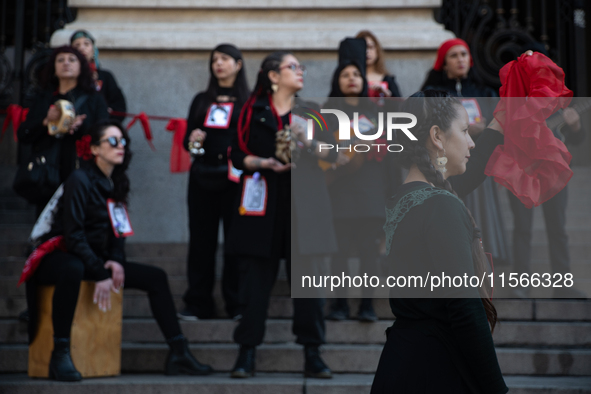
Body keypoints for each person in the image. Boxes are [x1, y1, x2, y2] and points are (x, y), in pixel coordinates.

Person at [23, 121, 213, 381]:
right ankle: (60, 353)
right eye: (112, 141)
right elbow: (74, 235)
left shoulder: (117, 181)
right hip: (57, 255)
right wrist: (100, 271)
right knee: (73, 267)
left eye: (123, 141)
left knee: (155, 277)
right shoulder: (80, 178)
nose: (120, 146)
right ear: (95, 149)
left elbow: (119, 232)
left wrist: (115, 261)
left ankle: (179, 351)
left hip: (93, 259)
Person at [371, 90, 507, 394]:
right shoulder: (440, 205)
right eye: (464, 131)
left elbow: (464, 173)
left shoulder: (408, 197)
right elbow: (465, 309)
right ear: (437, 136)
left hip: (405, 362)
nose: (472, 141)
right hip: (433, 370)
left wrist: (508, 111)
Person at [227, 51, 342, 379]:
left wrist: (309, 144)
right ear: (273, 75)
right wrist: (264, 163)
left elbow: (333, 151)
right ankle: (246, 352)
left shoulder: (311, 111)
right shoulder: (251, 110)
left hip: (304, 204)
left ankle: (312, 353)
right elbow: (237, 156)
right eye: (292, 67)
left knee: (308, 286)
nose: (300, 72)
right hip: (262, 205)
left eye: (300, 67)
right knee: (254, 287)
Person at [421, 38, 511, 268]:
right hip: (447, 167)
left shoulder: (485, 92)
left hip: (478, 161)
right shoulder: (433, 95)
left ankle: (484, 256)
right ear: (443, 63)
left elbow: (499, 124)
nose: (460, 59)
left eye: (464, 54)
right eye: (454, 55)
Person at [507, 42, 587, 299]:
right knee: (522, 227)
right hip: (522, 170)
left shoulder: (557, 97)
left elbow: (576, 139)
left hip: (552, 172)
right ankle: (520, 285)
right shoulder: (512, 93)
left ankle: (562, 287)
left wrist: (574, 127)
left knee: (558, 229)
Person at [177, 44, 250, 321]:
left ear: (238, 64)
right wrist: (193, 141)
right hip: (202, 177)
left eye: (225, 58)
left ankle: (237, 304)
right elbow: (188, 143)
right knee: (201, 242)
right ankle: (198, 303)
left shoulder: (248, 100)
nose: (218, 63)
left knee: (235, 242)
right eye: (214, 59)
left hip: (235, 179)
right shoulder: (201, 99)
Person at [324, 59, 400, 322]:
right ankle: (339, 304)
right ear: (337, 81)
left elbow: (391, 157)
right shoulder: (328, 114)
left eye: (356, 74)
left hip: (372, 191)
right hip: (340, 191)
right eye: (345, 74)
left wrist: (394, 195)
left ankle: (367, 305)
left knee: (369, 252)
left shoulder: (377, 115)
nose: (351, 78)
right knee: (340, 252)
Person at [18, 45, 109, 216]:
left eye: (71, 60)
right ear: (54, 68)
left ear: (81, 66)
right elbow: (24, 134)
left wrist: (83, 126)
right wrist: (45, 121)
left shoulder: (94, 99)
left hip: (81, 173)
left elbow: (105, 133)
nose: (66, 63)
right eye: (60, 60)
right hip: (48, 177)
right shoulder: (44, 98)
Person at [70, 30, 127, 122]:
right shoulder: (67, 77)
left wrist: (106, 112)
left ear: (93, 49)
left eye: (86, 44)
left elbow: (119, 106)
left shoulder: (106, 76)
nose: (81, 48)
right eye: (77, 45)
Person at [355, 30, 401, 99]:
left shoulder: (388, 80)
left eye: (370, 47)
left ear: (377, 50)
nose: (367, 51)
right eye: (363, 48)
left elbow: (400, 107)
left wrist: (387, 95)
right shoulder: (351, 79)